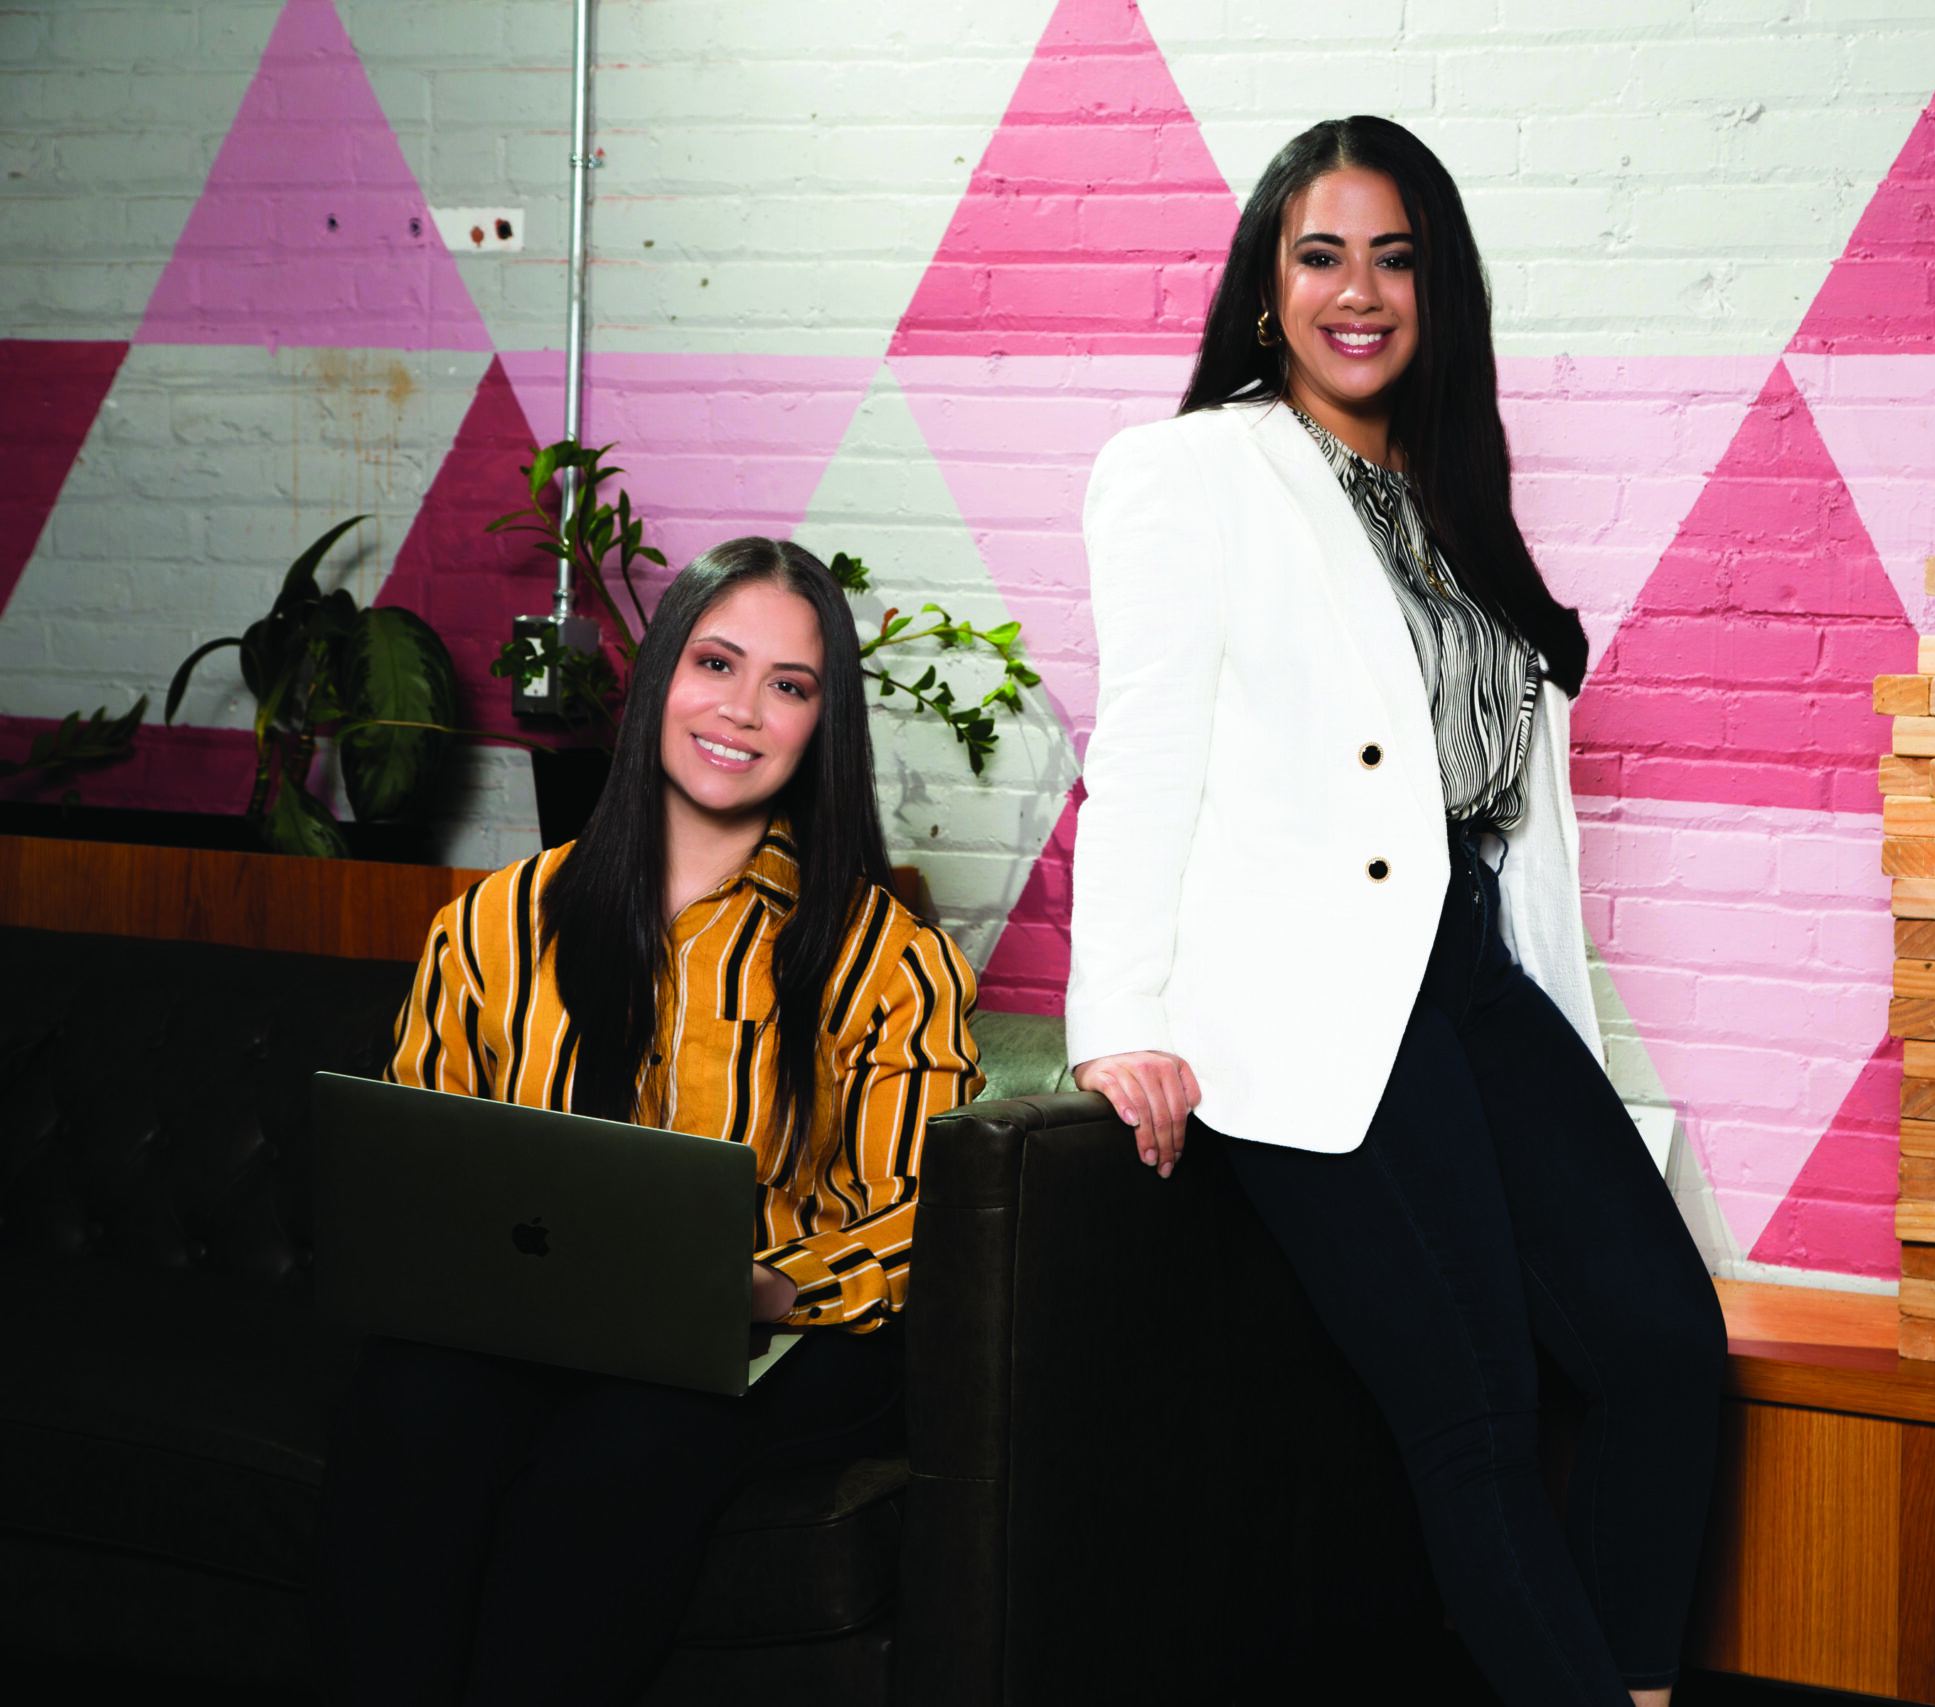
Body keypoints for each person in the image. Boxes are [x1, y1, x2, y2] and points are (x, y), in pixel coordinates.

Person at [1067, 117, 1728, 1706]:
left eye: (1395, 255)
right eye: (1320, 253)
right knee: (1480, 1418)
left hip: (1479, 985)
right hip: (1310, 1005)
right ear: (1265, 286)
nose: (1358, 290)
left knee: (1664, 1352)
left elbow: (1499, 801)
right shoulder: (1191, 471)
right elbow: (1145, 745)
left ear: (1439, 287)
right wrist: (1121, 1018)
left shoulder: (1452, 497)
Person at [314, 537, 982, 1705]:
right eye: (716, 663)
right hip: (526, 1324)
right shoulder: (494, 921)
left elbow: (922, 1221)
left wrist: (770, 1289)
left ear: (825, 725)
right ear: (659, 675)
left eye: (789, 685)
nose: (742, 710)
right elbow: (420, 1169)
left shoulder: (889, 958)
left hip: (774, 1339)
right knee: (411, 1403)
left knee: (636, 1434)